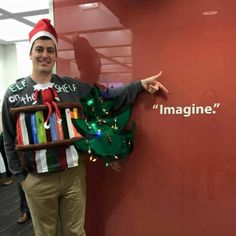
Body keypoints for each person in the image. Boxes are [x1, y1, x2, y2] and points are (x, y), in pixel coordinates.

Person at [1, 18, 169, 236]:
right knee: (45, 234)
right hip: (37, 180)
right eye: (40, 49)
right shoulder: (14, 93)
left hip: (73, 176)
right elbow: (8, 137)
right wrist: (22, 179)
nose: (45, 55)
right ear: (30, 53)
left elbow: (105, 97)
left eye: (50, 50)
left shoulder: (71, 86)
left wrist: (139, 86)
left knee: (75, 232)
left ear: (55, 55)